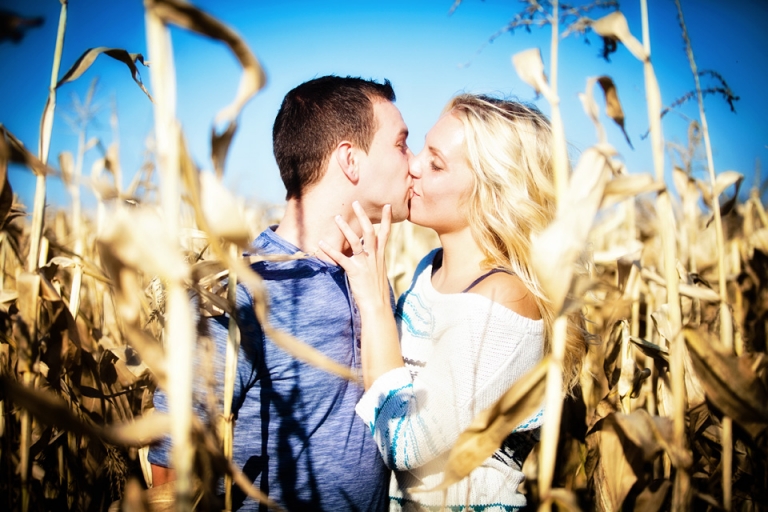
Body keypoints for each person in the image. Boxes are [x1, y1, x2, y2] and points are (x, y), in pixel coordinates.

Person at [148, 75, 413, 511]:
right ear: (351, 160)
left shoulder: (370, 276)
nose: (414, 163)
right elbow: (170, 472)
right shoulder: (237, 295)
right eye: (401, 145)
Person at [321, 94, 586, 511]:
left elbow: (406, 443)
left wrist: (373, 301)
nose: (413, 165)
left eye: (437, 163)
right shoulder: (431, 269)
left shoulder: (504, 300)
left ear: (494, 190)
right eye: (422, 149)